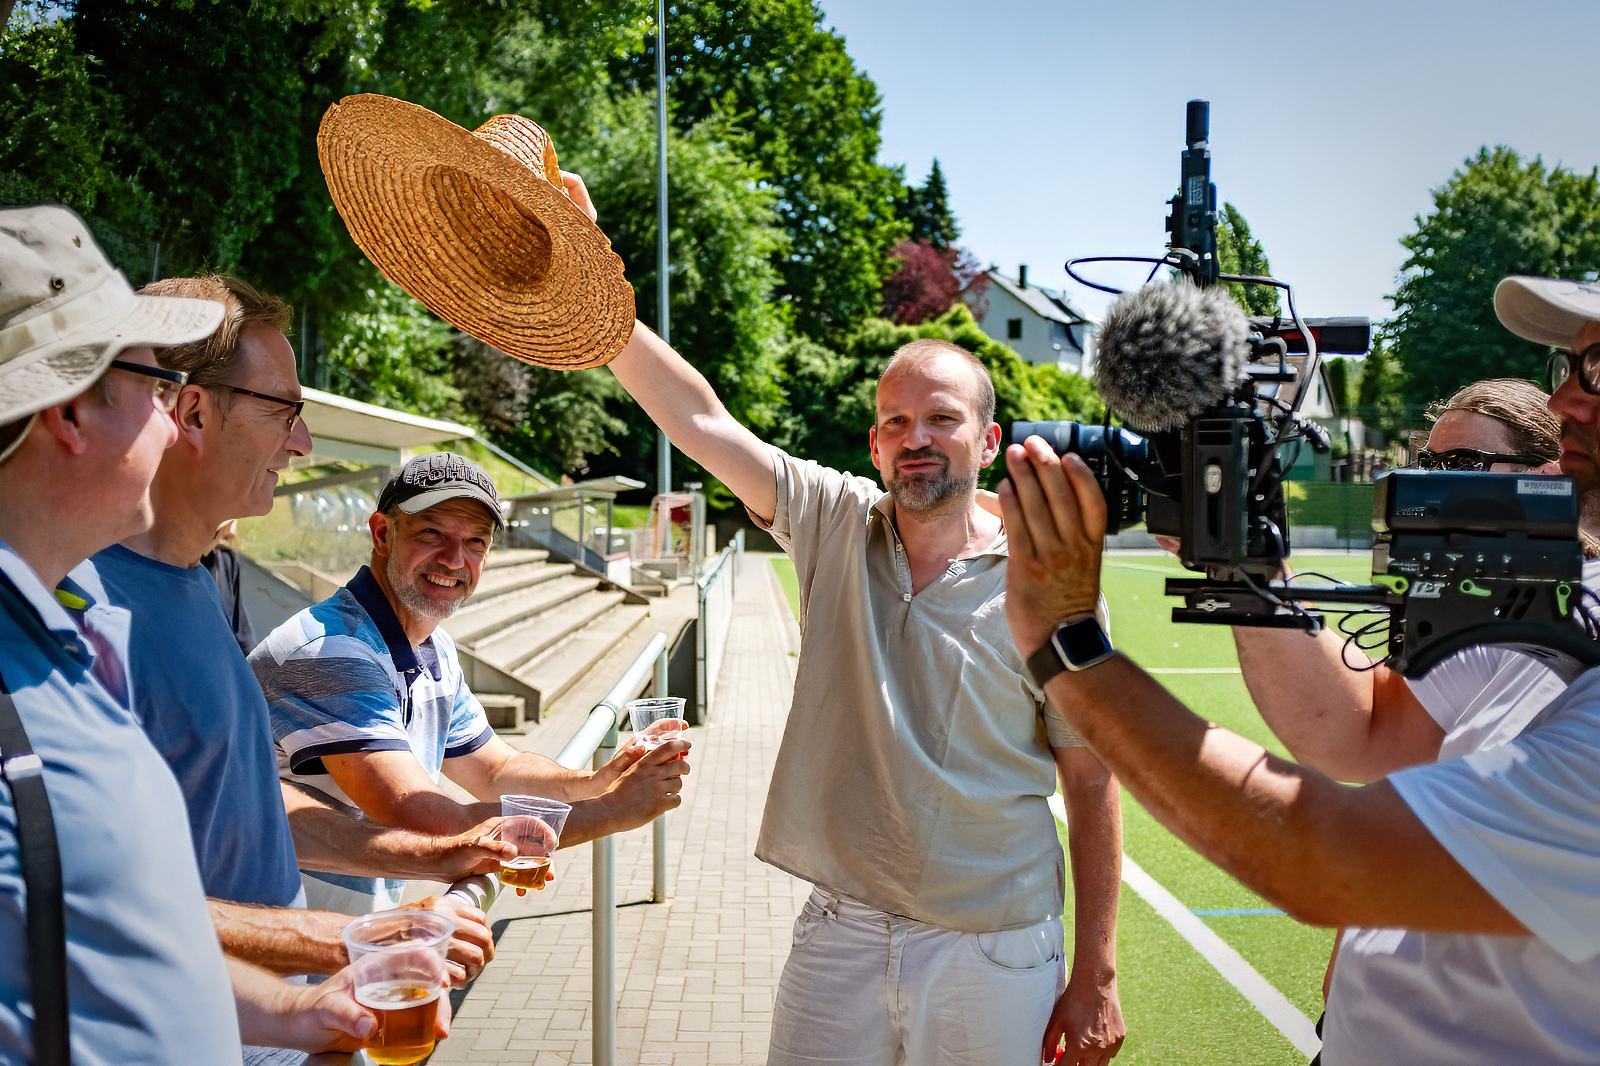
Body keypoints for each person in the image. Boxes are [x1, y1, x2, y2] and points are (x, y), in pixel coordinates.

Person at [995, 278, 1600, 1062]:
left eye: (1598, 370)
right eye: (1567, 365)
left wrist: (1066, 647)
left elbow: (1326, 859)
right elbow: (1359, 729)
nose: (1562, 405)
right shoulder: (1574, 597)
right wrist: (1254, 575)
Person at [598, 205, 1125, 1063]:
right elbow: (699, 421)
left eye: (941, 419)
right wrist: (593, 284)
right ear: (875, 447)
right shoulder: (835, 522)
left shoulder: (1053, 585)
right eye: (894, 423)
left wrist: (1096, 973)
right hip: (838, 929)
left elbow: (1094, 782)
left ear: (988, 440)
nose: (916, 439)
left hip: (991, 945)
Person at [0, 204, 373, 1064]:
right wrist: (325, 946)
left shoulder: (64, 632)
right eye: (152, 388)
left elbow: (128, 918)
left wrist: (293, 1014)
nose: (171, 421)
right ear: (67, 413)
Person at [85, 274, 504, 1019]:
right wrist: (344, 939)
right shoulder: (82, 608)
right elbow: (88, 900)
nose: (303, 443)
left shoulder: (199, 580)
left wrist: (422, 861)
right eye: (285, 412)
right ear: (192, 411)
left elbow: (243, 799)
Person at [253, 451, 692, 914]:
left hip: (360, 945)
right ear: (383, 533)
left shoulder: (432, 645)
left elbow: (492, 771)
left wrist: (597, 780)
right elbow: (425, 819)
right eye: (432, 533)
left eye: (476, 542)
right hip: (285, 950)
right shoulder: (331, 651)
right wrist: (611, 811)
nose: (454, 559)